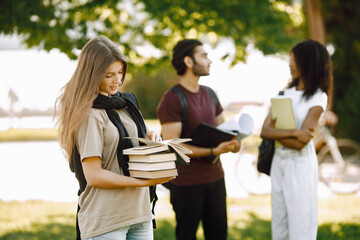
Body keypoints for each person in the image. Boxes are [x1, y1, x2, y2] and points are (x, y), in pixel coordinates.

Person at [54, 36, 173, 240]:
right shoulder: (90, 114)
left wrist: (149, 136)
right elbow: (94, 175)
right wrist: (142, 182)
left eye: (120, 72)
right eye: (109, 75)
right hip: (106, 220)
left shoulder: (125, 104)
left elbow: (127, 139)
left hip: (140, 213)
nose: (117, 80)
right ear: (92, 75)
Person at [157, 39, 241, 240]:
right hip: (187, 184)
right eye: (203, 55)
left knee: (219, 234)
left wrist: (234, 142)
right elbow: (173, 146)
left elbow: (223, 129)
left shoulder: (210, 94)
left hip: (216, 179)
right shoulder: (173, 98)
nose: (209, 60)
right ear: (188, 61)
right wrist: (213, 151)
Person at [260, 39, 331, 240]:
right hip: (278, 164)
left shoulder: (318, 97)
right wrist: (294, 132)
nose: (290, 64)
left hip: (301, 167)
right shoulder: (284, 93)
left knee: (302, 226)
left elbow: (301, 144)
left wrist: (281, 134)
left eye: (294, 59)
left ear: (308, 62)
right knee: (279, 225)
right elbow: (264, 130)